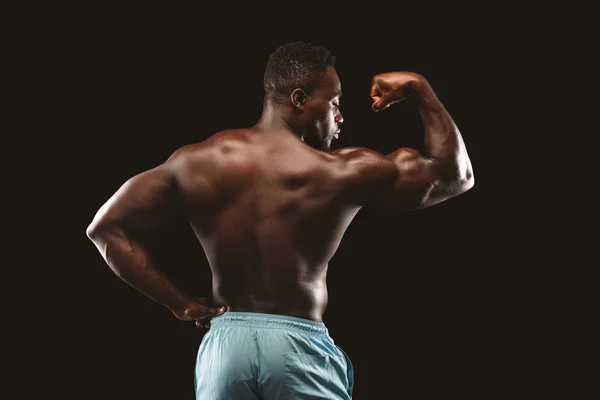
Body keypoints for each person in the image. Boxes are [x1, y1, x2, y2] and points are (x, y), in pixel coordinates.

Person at [86, 41, 474, 399]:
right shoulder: (342, 171)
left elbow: (105, 229)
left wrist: (180, 304)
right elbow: (456, 176)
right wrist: (419, 88)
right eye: (334, 102)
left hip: (226, 351)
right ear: (300, 99)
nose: (340, 117)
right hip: (296, 349)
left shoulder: (195, 161)